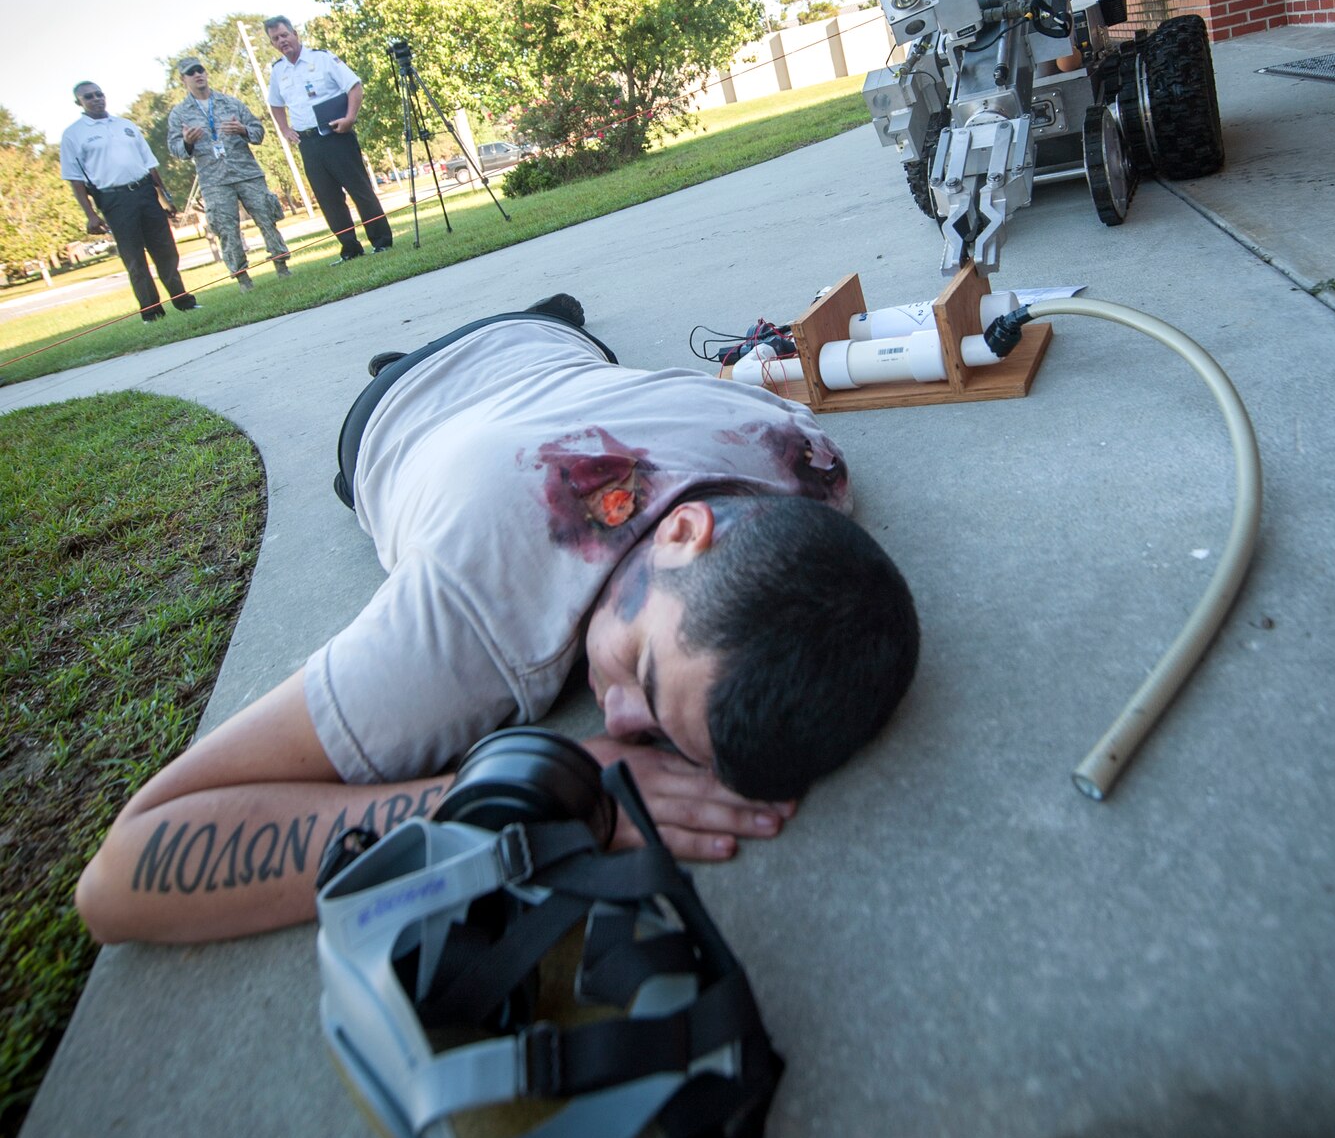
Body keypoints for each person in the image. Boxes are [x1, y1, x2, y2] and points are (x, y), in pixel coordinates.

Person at [75, 297, 919, 945]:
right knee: (392, 407)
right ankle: (414, 359)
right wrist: (514, 802)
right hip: (388, 412)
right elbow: (122, 876)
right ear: (683, 533)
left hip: (547, 346)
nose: (618, 722)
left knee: (561, 332)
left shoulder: (800, 456)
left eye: (652, 732)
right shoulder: (470, 617)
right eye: (646, 679)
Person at [59, 82, 198, 323]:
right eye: (88, 97)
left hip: (145, 192)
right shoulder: (74, 134)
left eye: (99, 94)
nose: (96, 99)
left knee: (165, 250)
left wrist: (165, 198)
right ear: (79, 102)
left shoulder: (126, 125)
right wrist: (91, 215)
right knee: (134, 258)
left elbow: (149, 164)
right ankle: (152, 313)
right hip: (114, 198)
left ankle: (184, 302)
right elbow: (75, 180)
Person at [263, 16, 392, 261]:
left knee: (360, 190)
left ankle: (381, 241)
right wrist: (284, 129)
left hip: (336, 134)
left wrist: (350, 118)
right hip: (308, 142)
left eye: (284, 35)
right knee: (328, 197)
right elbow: (275, 103)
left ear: (295, 33)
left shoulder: (321, 59)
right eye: (275, 39)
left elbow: (354, 86)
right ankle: (350, 248)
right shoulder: (278, 71)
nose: (282, 41)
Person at [167, 59, 292, 291]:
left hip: (246, 172)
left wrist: (243, 130)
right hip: (214, 180)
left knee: (267, 217)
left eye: (200, 70)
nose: (198, 75)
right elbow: (175, 150)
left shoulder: (231, 103)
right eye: (191, 73)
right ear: (183, 80)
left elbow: (258, 132)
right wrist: (186, 142)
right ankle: (243, 280)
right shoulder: (179, 114)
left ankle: (282, 266)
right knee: (226, 229)